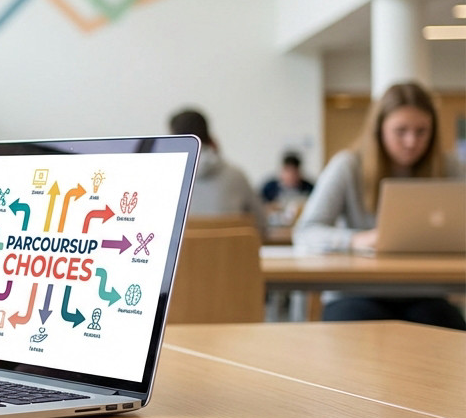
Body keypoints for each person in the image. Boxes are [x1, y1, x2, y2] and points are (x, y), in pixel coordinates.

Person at [293, 81, 465, 329]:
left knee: (449, 332)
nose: (411, 141)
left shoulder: (448, 168)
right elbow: (306, 232)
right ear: (379, 129)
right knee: (355, 331)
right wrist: (355, 240)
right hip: (356, 292)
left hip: (425, 292)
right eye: (401, 131)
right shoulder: (348, 166)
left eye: (421, 132)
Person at [168, 108, 266, 237]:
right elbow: (262, 226)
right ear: (209, 136)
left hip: (185, 256)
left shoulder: (165, 178)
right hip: (231, 255)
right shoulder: (237, 176)